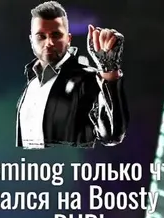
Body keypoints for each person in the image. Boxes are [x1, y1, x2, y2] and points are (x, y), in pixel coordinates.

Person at [15, 1, 129, 149]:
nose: (49, 42)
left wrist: (109, 70)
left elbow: (112, 135)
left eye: (56, 35)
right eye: (41, 36)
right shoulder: (31, 82)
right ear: (32, 40)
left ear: (68, 39)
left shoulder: (87, 79)